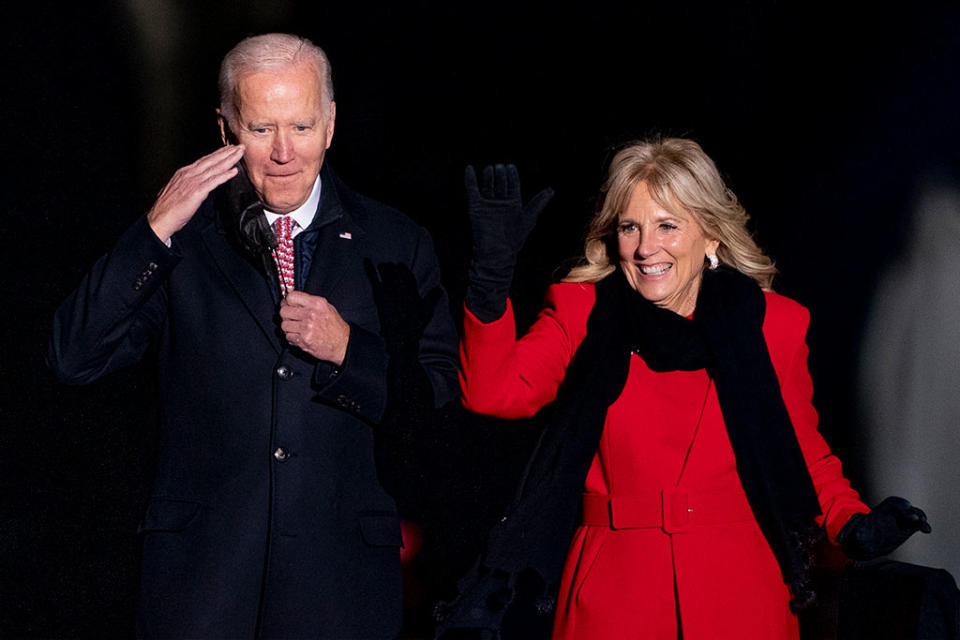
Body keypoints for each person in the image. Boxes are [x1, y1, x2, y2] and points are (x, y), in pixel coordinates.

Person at [48, 33, 458, 638]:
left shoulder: (396, 243)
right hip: (202, 588)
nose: (285, 152)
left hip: (338, 588)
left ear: (331, 124)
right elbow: (73, 356)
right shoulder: (180, 241)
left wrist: (349, 351)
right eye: (262, 129)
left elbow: (441, 405)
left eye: (302, 125)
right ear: (226, 129)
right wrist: (155, 228)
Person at [444, 139, 931, 639]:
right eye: (630, 227)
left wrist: (853, 524)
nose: (645, 246)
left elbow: (804, 453)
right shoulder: (582, 314)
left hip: (741, 591)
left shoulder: (772, 327)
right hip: (613, 594)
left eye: (667, 225)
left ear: (712, 237)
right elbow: (492, 392)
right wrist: (489, 282)